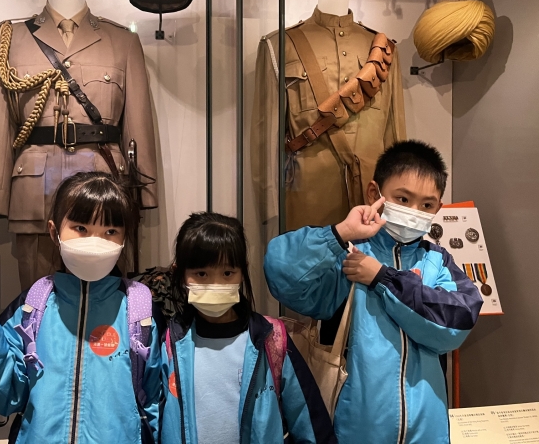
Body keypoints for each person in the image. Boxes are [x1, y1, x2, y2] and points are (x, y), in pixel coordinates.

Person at [264, 140, 483, 444]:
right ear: (374, 193)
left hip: (427, 432)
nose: (414, 212)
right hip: (353, 429)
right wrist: (341, 233)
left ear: (438, 208)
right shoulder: (348, 253)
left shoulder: (437, 260)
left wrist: (382, 277)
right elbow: (281, 272)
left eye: (427, 205)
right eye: (403, 198)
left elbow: (457, 322)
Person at [0, 172, 163, 444]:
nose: (94, 241)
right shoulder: (33, 305)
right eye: (80, 228)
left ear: (124, 238)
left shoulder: (140, 309)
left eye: (110, 232)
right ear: (54, 232)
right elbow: (5, 392)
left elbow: (157, 403)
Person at [161, 212, 336, 444]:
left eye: (227, 273)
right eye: (201, 274)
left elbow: (311, 421)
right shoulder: (171, 342)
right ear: (181, 274)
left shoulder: (271, 338)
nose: (216, 284)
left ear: (242, 272)